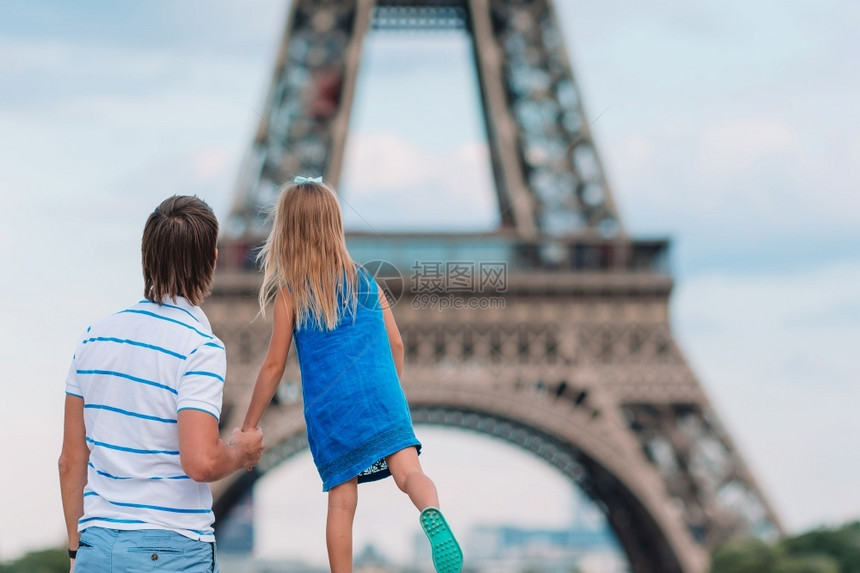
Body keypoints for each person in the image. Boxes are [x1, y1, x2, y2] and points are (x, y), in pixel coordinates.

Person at [241, 177, 464, 573]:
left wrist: (249, 425)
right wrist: (390, 392)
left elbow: (274, 365)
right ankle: (430, 510)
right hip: (383, 397)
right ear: (334, 226)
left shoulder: (290, 293)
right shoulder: (366, 280)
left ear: (287, 232)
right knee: (410, 472)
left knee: (342, 503)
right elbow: (396, 344)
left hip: (334, 409)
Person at [58, 195, 264, 573]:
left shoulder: (93, 338)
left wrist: (77, 553)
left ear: (145, 256)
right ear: (212, 261)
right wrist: (240, 452)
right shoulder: (200, 348)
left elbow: (71, 461)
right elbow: (200, 462)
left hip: (97, 548)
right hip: (171, 553)